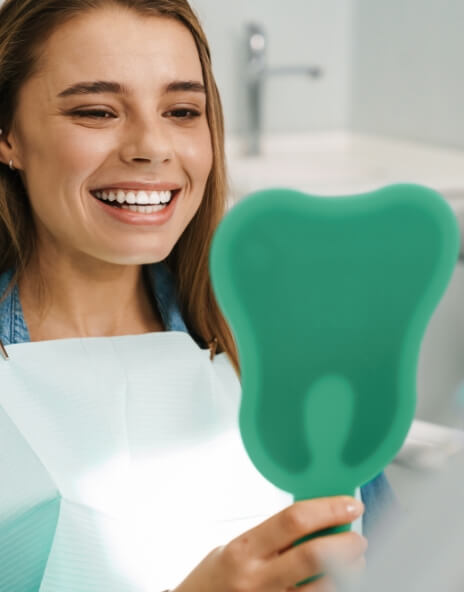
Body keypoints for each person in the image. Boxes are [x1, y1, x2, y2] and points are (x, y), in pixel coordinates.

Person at [0, 0, 397, 590]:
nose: (152, 147)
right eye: (96, 110)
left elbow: (392, 562)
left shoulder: (284, 351)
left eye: (183, 110)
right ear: (8, 137)